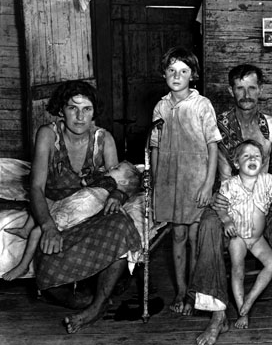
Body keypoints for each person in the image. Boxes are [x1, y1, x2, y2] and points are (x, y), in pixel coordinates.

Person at [189, 64, 272, 345]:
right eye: (240, 88)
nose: (246, 94)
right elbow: (220, 173)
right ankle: (217, 312)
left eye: (252, 88)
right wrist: (224, 204)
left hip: (264, 198)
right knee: (207, 224)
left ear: (260, 90)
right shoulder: (218, 125)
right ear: (231, 90)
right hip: (229, 197)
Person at [24, 80, 148, 334]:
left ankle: (96, 307)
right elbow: (36, 187)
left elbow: (120, 181)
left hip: (93, 212)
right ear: (61, 110)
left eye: (87, 109)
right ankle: (94, 298)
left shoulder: (104, 139)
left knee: (121, 224)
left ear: (94, 111)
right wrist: (47, 227)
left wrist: (116, 195)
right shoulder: (48, 135)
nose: (80, 117)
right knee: (50, 282)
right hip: (60, 215)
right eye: (73, 108)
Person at [150, 47, 221, 316]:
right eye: (171, 70)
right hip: (170, 181)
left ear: (193, 76)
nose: (176, 75)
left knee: (194, 236)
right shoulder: (161, 106)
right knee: (177, 234)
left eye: (183, 71)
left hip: (195, 181)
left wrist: (207, 184)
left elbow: (213, 145)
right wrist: (157, 183)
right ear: (164, 74)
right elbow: (155, 147)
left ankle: (194, 291)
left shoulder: (202, 105)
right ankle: (180, 289)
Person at [2, 160, 142, 281]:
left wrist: (88, 176)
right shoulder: (113, 190)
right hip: (71, 204)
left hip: (74, 212)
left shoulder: (109, 182)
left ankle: (23, 265)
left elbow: (85, 181)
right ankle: (25, 230)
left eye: (116, 169)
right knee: (41, 201)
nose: (111, 168)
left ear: (123, 182)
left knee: (37, 232)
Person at [217, 139, 272, 329]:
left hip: (257, 239)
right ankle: (243, 312)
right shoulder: (230, 185)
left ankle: (249, 299)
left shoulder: (267, 180)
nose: (252, 159)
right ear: (236, 163)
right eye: (246, 156)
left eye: (257, 156)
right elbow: (219, 207)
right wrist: (226, 220)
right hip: (238, 238)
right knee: (238, 269)